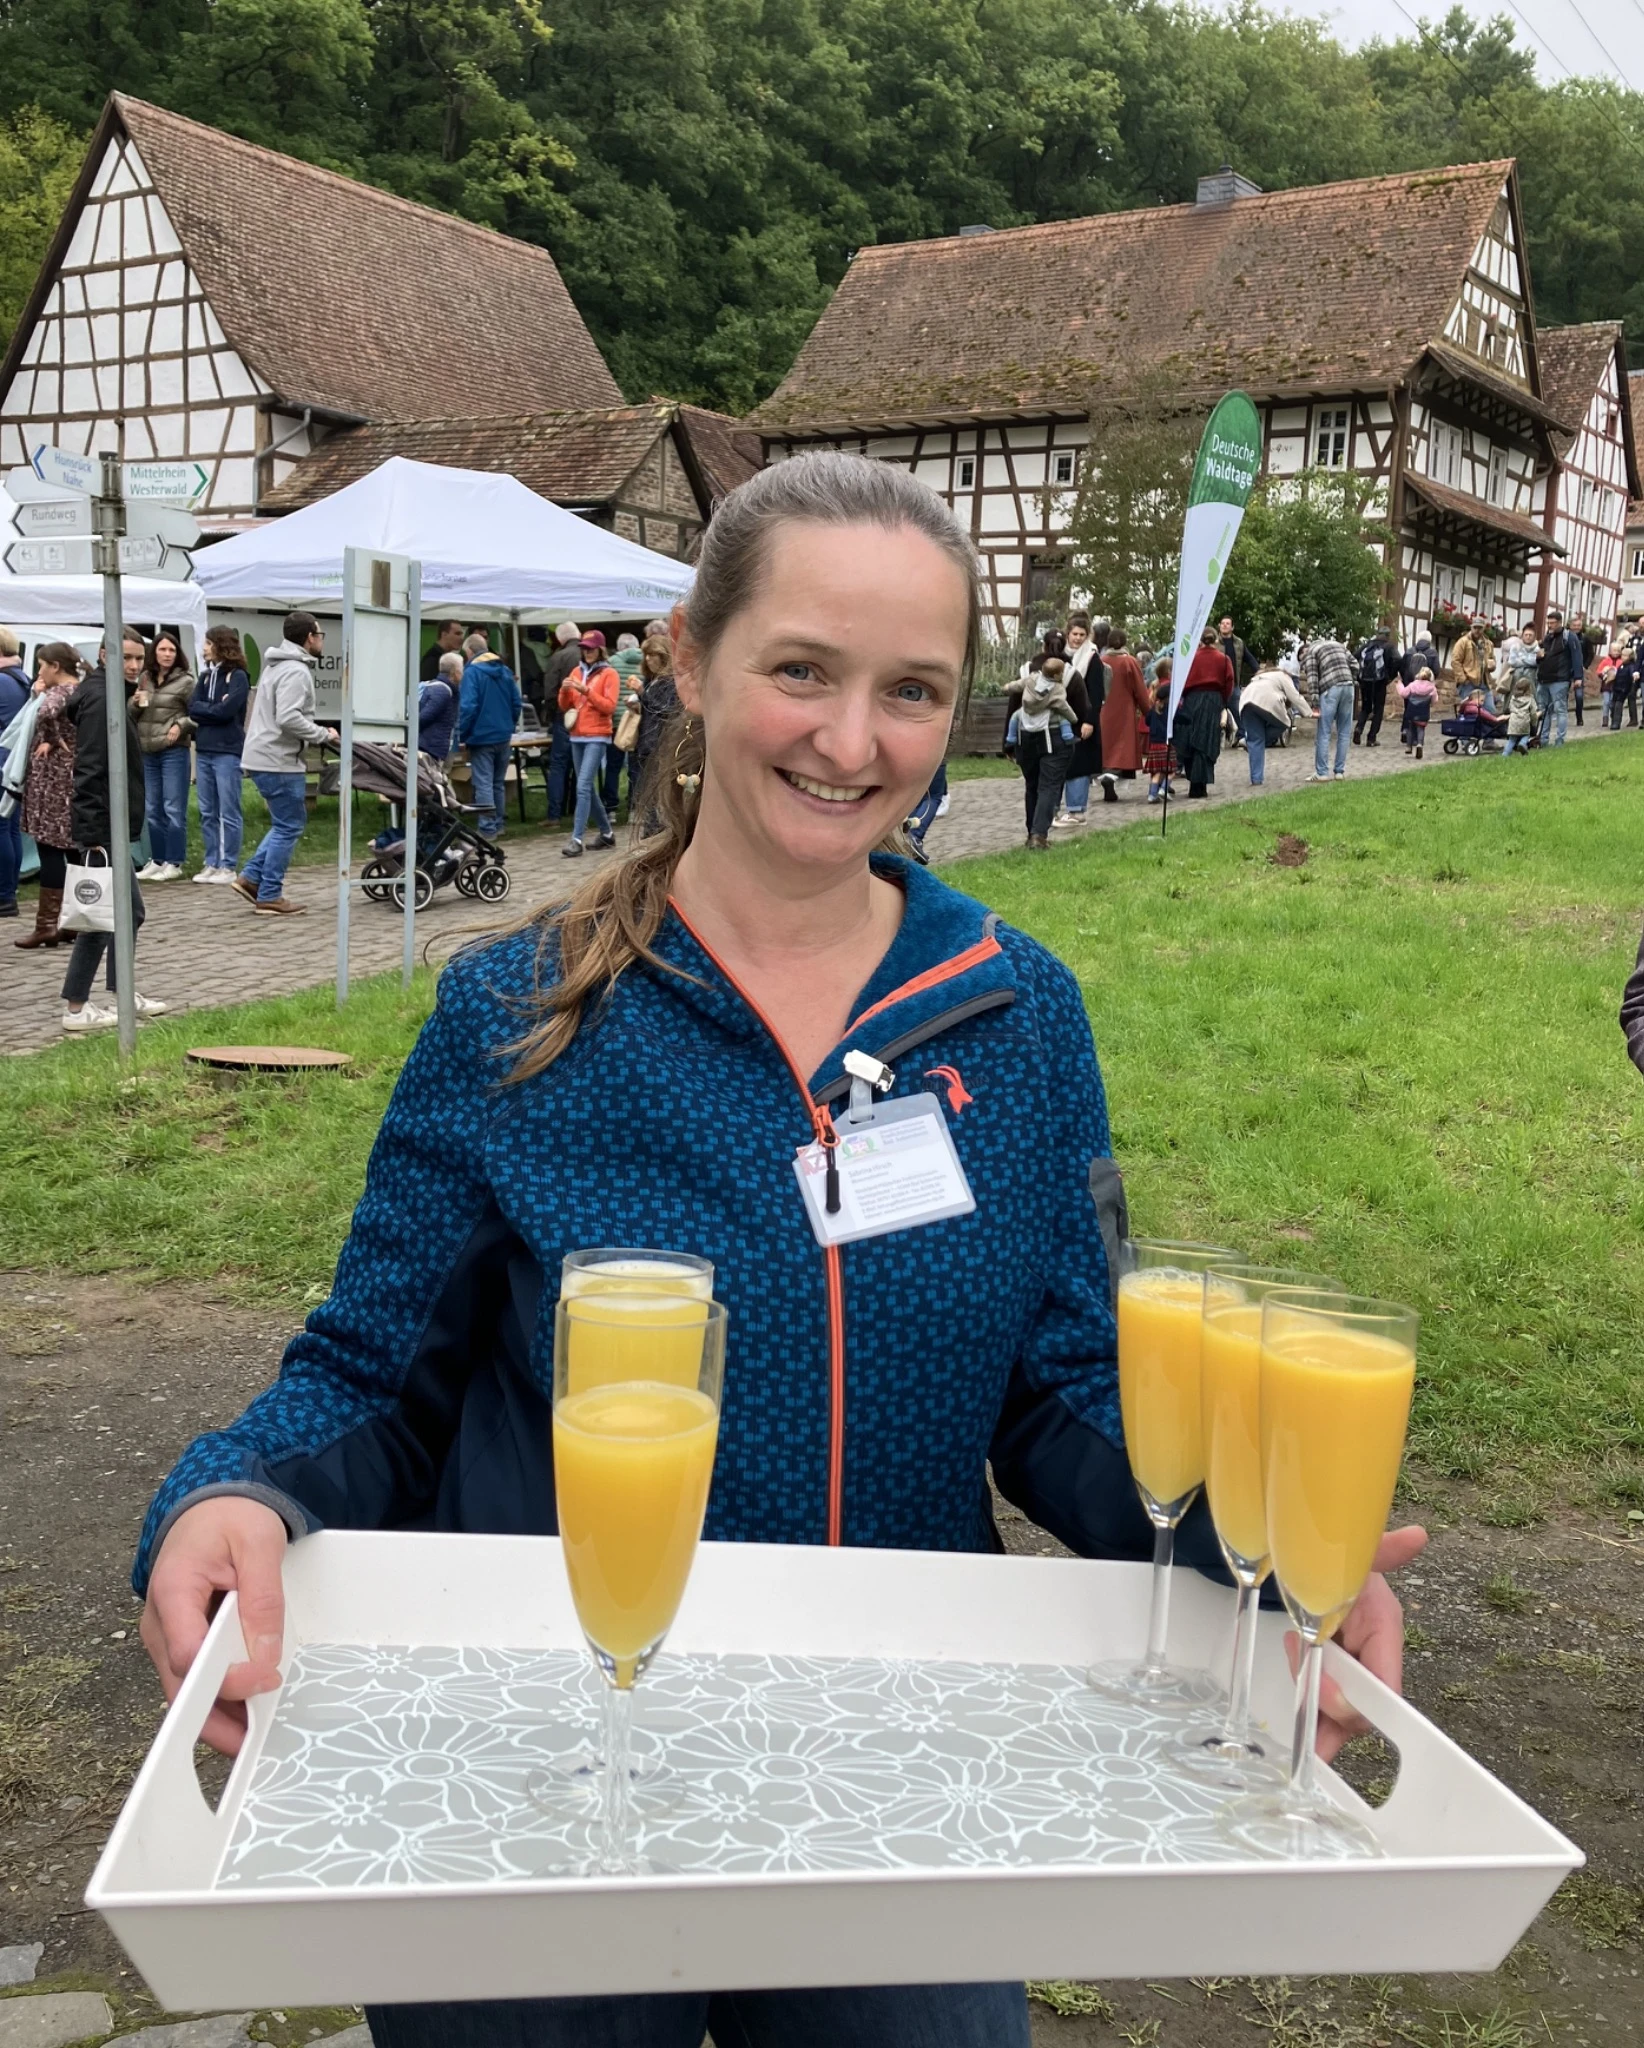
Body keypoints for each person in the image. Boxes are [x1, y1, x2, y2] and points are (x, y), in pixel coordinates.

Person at [132, 452, 1425, 2048]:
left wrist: (1248, 1540)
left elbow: (1071, 1379)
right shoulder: (523, 1013)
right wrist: (239, 1491)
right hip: (555, 1745)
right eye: (801, 671)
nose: (850, 740)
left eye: (911, 692)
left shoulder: (1018, 1017)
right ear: (690, 656)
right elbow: (375, 1366)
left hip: (892, 1754)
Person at [59, 639, 169, 1033]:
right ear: (105, 655)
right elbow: (89, 767)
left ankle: (121, 994)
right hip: (102, 824)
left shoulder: (112, 696)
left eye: (140, 657)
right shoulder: (101, 699)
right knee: (108, 914)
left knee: (124, 912)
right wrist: (92, 833)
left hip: (111, 821)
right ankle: (76, 1008)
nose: (134, 664)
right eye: (127, 657)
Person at [236, 612, 337, 917]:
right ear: (309, 637)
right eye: (319, 635)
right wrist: (322, 734)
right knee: (290, 826)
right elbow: (289, 717)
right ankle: (269, 894)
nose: (321, 640)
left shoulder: (277, 665)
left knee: (284, 824)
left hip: (264, 754)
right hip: (278, 758)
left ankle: (252, 879)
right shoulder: (295, 670)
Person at [15, 641, 81, 950]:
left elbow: (47, 713)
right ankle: (74, 920)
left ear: (55, 666)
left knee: (51, 846)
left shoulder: (58, 694)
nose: (39, 671)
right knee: (72, 848)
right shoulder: (81, 690)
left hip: (54, 782)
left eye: (42, 665)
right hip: (72, 779)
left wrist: (52, 739)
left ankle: (47, 925)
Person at [188, 625, 250, 884]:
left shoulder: (238, 677)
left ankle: (228, 865)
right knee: (207, 810)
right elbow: (192, 708)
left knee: (229, 809)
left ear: (219, 645)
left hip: (227, 751)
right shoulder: (204, 677)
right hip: (204, 750)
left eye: (208, 643)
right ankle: (211, 862)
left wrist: (210, 710)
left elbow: (227, 711)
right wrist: (212, 708)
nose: (204, 648)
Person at [1010, 653, 1090, 847]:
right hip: (1055, 738)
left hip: (1025, 736)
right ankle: (1038, 835)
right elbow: (1081, 707)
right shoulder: (1071, 677)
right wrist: (1076, 723)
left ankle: (1031, 831)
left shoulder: (1027, 676)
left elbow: (1012, 701)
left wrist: (1009, 743)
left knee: (1032, 785)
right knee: (1049, 786)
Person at [133, 630, 195, 882]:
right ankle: (157, 860)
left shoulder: (187, 681)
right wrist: (134, 702)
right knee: (152, 808)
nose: (167, 654)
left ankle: (175, 861)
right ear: (154, 652)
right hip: (148, 748)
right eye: (162, 649)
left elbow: (198, 713)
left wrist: (181, 724)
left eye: (171, 650)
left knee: (173, 808)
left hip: (173, 750)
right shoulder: (145, 678)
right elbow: (133, 712)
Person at [557, 630, 620, 857]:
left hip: (597, 735)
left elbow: (609, 707)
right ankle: (606, 833)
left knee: (582, 785)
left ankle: (576, 838)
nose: (587, 652)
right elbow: (566, 705)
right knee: (587, 788)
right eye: (584, 648)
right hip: (577, 735)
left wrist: (587, 692)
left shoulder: (609, 674)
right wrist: (564, 691)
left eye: (591, 649)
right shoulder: (576, 671)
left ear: (600, 650)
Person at [457, 631, 522, 839]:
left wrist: (462, 735)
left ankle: (487, 827)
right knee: (497, 782)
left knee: (483, 782)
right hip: (503, 735)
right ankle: (499, 823)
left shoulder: (472, 673)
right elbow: (516, 703)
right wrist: (509, 725)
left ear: (469, 651)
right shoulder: (504, 670)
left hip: (481, 736)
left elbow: (468, 707)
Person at [1175, 627, 1235, 797]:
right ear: (1216, 640)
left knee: (1192, 739)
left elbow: (1181, 680)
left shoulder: (1191, 658)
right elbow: (1229, 682)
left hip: (1192, 699)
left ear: (1200, 640)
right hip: (1213, 700)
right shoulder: (1223, 659)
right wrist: (1223, 700)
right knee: (1206, 740)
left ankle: (1195, 782)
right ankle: (1201, 783)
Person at [631, 633, 681, 835]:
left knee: (658, 792)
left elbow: (668, 711)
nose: (648, 659)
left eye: (653, 655)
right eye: (646, 655)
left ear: (663, 656)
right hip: (646, 744)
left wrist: (643, 695)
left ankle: (655, 834)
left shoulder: (671, 683)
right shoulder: (652, 681)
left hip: (661, 745)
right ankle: (651, 832)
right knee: (647, 791)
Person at [1055, 613, 1100, 824]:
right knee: (1059, 762)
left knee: (1079, 764)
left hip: (1082, 716)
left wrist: (1090, 720)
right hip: (1059, 715)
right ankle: (1053, 807)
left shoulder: (1091, 657)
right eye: (1074, 634)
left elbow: (1096, 692)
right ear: (1068, 633)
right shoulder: (1058, 654)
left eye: (1082, 634)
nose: (1078, 638)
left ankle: (1076, 809)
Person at [1239, 657, 1313, 785]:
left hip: (1246, 701)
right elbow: (1295, 696)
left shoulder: (1257, 678)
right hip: (1267, 700)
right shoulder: (1282, 676)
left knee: (1256, 740)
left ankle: (1256, 779)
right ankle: (1250, 741)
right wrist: (1309, 713)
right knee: (1284, 723)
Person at [1095, 629, 1149, 802]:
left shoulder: (1100, 661)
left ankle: (1106, 774)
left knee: (1107, 745)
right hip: (1124, 710)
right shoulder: (1130, 662)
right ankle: (1112, 775)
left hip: (1103, 710)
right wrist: (1148, 711)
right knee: (1122, 745)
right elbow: (1140, 689)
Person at [0, 627, 29, 918]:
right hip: (14, 763)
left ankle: (4, 895)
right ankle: (10, 889)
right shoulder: (21, 678)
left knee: (1, 828)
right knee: (10, 828)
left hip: (2, 760)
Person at [540, 622, 582, 822]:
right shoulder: (589, 653)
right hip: (586, 715)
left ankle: (554, 814)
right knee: (579, 764)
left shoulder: (558, 657)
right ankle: (575, 809)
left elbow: (549, 690)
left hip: (563, 714)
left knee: (558, 764)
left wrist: (551, 712)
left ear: (559, 639)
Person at [603, 631, 646, 814]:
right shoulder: (646, 661)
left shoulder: (612, 663)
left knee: (613, 766)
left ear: (620, 647)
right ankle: (634, 806)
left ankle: (610, 807)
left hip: (616, 721)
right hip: (637, 719)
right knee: (635, 766)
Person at [1305, 635, 1357, 781]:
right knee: (1344, 732)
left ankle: (1322, 773)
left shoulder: (1312, 652)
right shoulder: (1339, 645)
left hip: (1330, 689)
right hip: (1348, 686)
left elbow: (1313, 679)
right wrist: (1351, 679)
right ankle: (1339, 772)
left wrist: (1315, 703)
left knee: (1324, 731)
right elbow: (1355, 664)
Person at [1535, 607, 1581, 746]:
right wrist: (1539, 658)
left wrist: (1578, 677)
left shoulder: (1569, 637)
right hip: (1544, 678)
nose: (1550, 625)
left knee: (1560, 710)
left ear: (1560, 622)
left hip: (1560, 679)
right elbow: (1542, 655)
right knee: (1543, 711)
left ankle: (1559, 740)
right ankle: (1543, 740)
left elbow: (1577, 657)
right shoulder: (1547, 637)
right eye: (1548, 623)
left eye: (1553, 623)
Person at [1353, 627, 1400, 747]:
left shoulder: (1367, 645)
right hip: (1379, 681)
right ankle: (1371, 738)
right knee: (1378, 709)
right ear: (1388, 636)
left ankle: (1358, 728)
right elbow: (1397, 660)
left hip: (1365, 681)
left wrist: (1358, 675)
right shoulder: (1389, 646)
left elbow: (1355, 656)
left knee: (1365, 707)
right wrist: (1390, 676)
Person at [1144, 663, 1175, 802]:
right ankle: (1163, 789)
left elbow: (1147, 721)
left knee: (1156, 772)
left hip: (1154, 744)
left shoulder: (1153, 709)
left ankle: (1152, 795)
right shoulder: (1170, 710)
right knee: (1171, 770)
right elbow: (1182, 718)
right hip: (1166, 743)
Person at [1398, 665, 1437, 758]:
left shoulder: (1413, 685)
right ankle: (1420, 744)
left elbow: (1403, 694)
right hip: (1423, 711)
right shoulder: (1432, 687)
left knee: (1410, 728)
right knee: (1421, 729)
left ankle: (1408, 746)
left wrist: (1399, 684)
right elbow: (1434, 700)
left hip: (1412, 710)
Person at [1500, 661, 1538, 757]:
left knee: (1511, 740)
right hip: (1524, 721)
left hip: (1513, 722)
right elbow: (1533, 712)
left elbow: (1510, 707)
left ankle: (1505, 755)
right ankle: (1522, 744)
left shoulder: (1513, 698)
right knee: (1526, 735)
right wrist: (1534, 722)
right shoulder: (1530, 699)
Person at [1218, 614, 1256, 698]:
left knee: (1238, 710)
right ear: (1219, 626)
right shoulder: (1214, 642)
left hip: (1234, 687)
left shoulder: (1239, 643)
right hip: (1217, 688)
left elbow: (1250, 659)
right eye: (1222, 623)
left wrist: (1260, 672)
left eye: (1227, 623)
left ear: (1232, 627)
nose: (1224, 625)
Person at [1610, 641, 1642, 729]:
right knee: (1612, 705)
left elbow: (1632, 675)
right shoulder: (1621, 666)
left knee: (1618, 705)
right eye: (1622, 655)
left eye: (1625, 655)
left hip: (1625, 688)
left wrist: (1633, 678)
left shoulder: (1631, 666)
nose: (1622, 657)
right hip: (1617, 688)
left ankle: (1616, 723)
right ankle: (1614, 720)